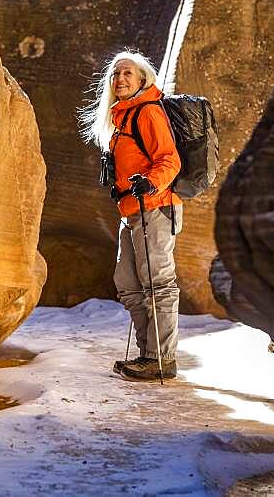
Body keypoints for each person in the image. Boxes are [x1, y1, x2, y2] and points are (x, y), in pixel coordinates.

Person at [80, 48, 182, 381]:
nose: (120, 78)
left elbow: (169, 159)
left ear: (142, 80)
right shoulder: (122, 117)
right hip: (132, 210)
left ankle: (160, 358)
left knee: (158, 284)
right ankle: (147, 354)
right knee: (127, 283)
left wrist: (150, 183)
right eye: (116, 73)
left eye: (127, 73)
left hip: (155, 207)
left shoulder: (147, 112)